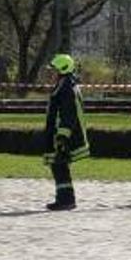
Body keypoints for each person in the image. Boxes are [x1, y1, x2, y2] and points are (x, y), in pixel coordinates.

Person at [42, 54, 89, 211]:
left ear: (62, 70)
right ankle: (64, 198)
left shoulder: (67, 88)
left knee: (59, 165)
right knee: (59, 166)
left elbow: (68, 115)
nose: (51, 74)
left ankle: (66, 200)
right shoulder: (64, 85)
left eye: (53, 70)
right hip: (60, 134)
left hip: (63, 135)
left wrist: (62, 137)